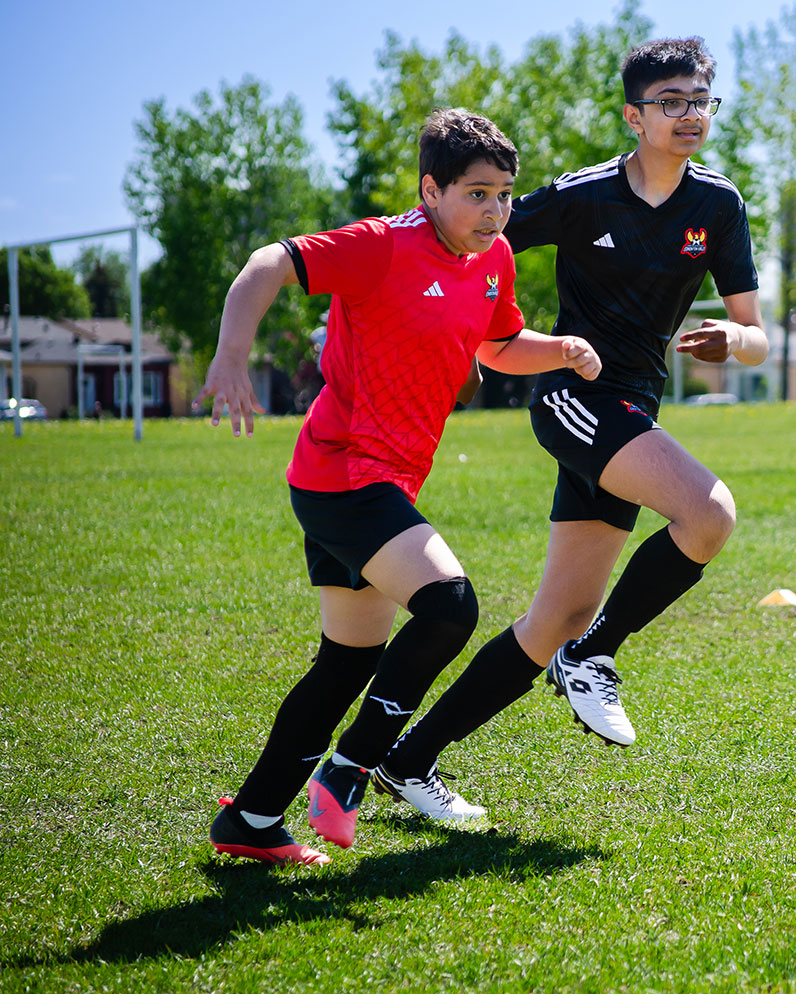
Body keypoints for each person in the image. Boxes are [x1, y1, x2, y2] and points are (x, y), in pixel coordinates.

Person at [373, 36, 767, 819]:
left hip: (635, 410)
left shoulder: (719, 206)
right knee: (709, 513)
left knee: (557, 617)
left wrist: (735, 340)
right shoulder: (583, 196)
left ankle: (408, 760)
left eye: (700, 101)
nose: (690, 115)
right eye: (671, 102)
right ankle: (592, 657)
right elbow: (468, 236)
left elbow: (758, 335)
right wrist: (455, 329)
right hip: (573, 396)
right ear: (634, 116)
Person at [198, 109, 601, 865]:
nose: (495, 210)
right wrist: (231, 354)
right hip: (343, 472)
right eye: (476, 193)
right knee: (450, 606)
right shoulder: (382, 245)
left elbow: (499, 344)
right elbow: (267, 263)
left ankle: (250, 820)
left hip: (382, 481)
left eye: (504, 194)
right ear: (430, 190)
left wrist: (561, 350)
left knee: (348, 661)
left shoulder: (495, 258)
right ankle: (352, 768)